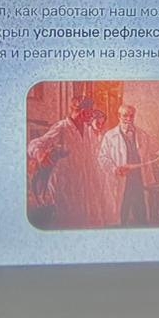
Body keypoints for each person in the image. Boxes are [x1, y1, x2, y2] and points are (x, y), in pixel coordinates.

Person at [27, 95, 101, 228]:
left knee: (83, 222)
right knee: (65, 222)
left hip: (83, 187)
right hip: (64, 186)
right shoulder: (62, 127)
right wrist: (40, 154)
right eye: (90, 112)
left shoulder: (88, 130)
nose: (92, 115)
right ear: (82, 111)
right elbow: (34, 144)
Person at [97, 103, 159, 226]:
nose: (128, 119)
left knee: (141, 213)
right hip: (121, 179)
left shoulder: (142, 135)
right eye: (125, 116)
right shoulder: (110, 136)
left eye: (131, 116)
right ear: (119, 116)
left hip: (139, 180)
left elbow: (156, 148)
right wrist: (115, 169)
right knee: (122, 213)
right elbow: (102, 157)